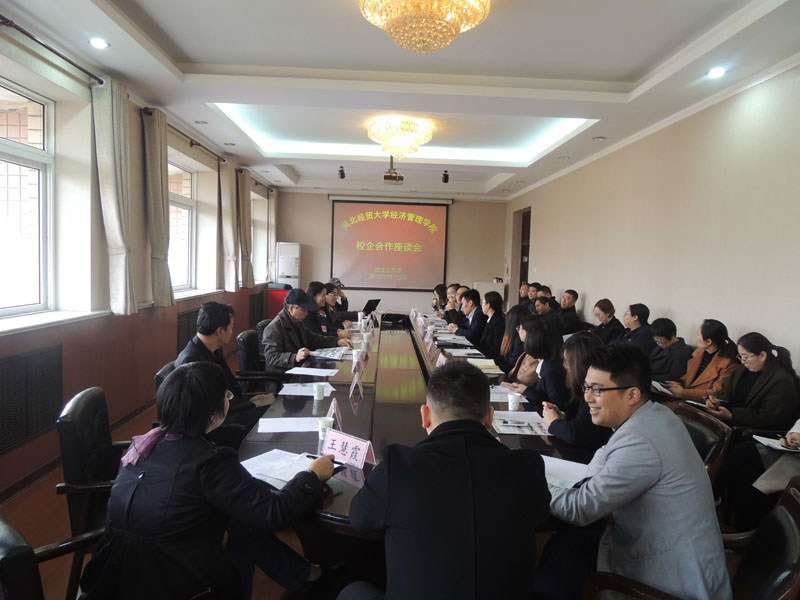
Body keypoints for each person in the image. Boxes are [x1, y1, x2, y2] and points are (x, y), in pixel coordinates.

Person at [80, 362, 336, 600]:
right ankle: (307, 577)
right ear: (212, 412)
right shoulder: (209, 463)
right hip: (169, 582)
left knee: (240, 520)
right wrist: (312, 475)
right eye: (226, 396)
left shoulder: (142, 445)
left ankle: (305, 576)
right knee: (243, 533)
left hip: (112, 575)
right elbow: (275, 512)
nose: (228, 400)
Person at [340, 361, 551, 600]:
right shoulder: (527, 467)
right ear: (489, 417)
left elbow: (359, 518)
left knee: (353, 591)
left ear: (425, 416)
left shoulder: (398, 466)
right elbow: (541, 518)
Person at [535, 343, 731, 600]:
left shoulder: (641, 440)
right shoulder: (654, 414)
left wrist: (531, 483)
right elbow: (604, 455)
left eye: (597, 389)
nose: (588, 398)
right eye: (586, 387)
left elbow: (580, 509)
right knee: (565, 544)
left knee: (558, 558)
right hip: (656, 545)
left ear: (632, 395)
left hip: (671, 579)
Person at [174, 301, 268, 433]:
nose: (232, 331)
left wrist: (247, 400)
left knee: (272, 402)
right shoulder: (192, 361)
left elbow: (227, 386)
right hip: (220, 421)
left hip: (231, 407)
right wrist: (249, 404)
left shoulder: (214, 349)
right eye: (231, 327)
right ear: (220, 331)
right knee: (271, 414)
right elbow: (209, 407)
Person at [705, 332, 800, 430]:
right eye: (740, 357)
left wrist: (732, 416)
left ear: (762, 355)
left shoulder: (781, 379)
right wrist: (716, 402)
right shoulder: (741, 370)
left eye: (745, 357)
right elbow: (724, 392)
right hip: (730, 423)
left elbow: (771, 417)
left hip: (755, 430)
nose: (743, 361)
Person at [542, 332, 611, 451]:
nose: (565, 367)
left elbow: (577, 434)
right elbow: (581, 420)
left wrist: (554, 422)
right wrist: (562, 416)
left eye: (567, 363)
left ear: (579, 365)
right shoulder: (584, 386)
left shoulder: (597, 390)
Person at [262, 288, 351, 373]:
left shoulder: (297, 321)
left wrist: (337, 341)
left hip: (300, 368)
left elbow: (314, 338)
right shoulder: (274, 327)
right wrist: (294, 357)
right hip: (284, 374)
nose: (306, 313)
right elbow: (270, 357)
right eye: (303, 310)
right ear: (291, 308)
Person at [666, 319, 738, 400]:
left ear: (708, 341)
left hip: (702, 403)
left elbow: (716, 392)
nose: (696, 336)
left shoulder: (728, 364)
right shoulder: (699, 351)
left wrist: (683, 393)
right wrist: (680, 383)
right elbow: (691, 375)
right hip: (686, 398)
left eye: (698, 334)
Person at [517, 319, 569, 411]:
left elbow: (556, 407)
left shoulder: (552, 370)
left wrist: (526, 391)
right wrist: (525, 390)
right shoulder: (546, 363)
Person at [649, 317, 693, 382]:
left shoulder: (682, 352)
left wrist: (648, 377)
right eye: (656, 340)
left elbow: (673, 377)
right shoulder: (662, 345)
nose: (658, 342)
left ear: (672, 335)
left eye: (660, 339)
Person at [495, 305, 526, 375]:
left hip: (508, 375)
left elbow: (511, 365)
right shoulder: (510, 337)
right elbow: (502, 357)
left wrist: (495, 367)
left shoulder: (519, 341)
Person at [477, 290, 505, 359]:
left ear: (488, 305)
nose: (481, 305)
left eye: (482, 302)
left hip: (491, 358)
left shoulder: (498, 322)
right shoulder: (490, 318)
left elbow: (496, 348)